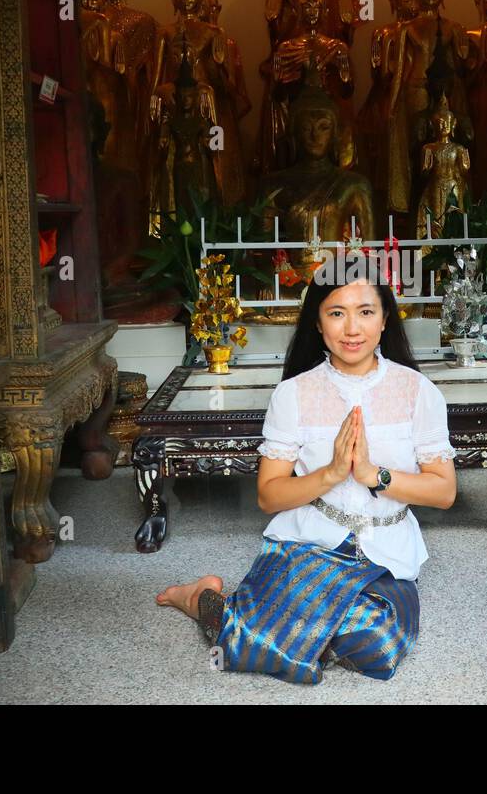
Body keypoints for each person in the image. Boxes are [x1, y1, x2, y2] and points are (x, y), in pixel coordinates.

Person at [155, 263, 458, 683]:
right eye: (336, 313)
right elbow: (269, 496)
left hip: (385, 551)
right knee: (251, 643)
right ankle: (202, 598)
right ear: (317, 322)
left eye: (366, 312)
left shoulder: (417, 391)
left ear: (386, 319)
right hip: (312, 540)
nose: (352, 328)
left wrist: (374, 475)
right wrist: (332, 473)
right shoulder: (294, 393)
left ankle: (264, 612)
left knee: (375, 645)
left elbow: (443, 492)